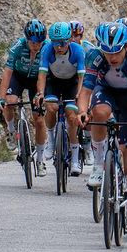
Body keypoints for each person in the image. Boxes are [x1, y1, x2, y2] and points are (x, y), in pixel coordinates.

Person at [78, 23, 127, 234]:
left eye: (117, 51)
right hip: (107, 92)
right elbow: (86, 91)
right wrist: (82, 111)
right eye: (107, 51)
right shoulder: (94, 56)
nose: (111, 57)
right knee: (99, 113)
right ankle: (99, 165)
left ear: (126, 46)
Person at [36, 21, 87, 176]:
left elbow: (82, 77)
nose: (58, 47)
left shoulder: (78, 50)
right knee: (51, 107)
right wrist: (40, 94)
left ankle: (75, 158)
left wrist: (80, 95)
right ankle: (51, 140)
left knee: (72, 117)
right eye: (55, 43)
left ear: (69, 40)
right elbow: (42, 75)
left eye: (63, 43)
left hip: (72, 83)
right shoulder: (47, 49)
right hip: (54, 81)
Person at [0, 20, 48, 171]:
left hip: (36, 79)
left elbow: (45, 74)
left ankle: (40, 160)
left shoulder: (47, 48)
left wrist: (42, 94)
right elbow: (7, 73)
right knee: (10, 102)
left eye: (40, 41)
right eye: (33, 42)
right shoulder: (17, 47)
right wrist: (1, 97)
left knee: (39, 120)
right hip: (18, 77)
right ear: (27, 39)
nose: (37, 45)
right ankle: (12, 131)